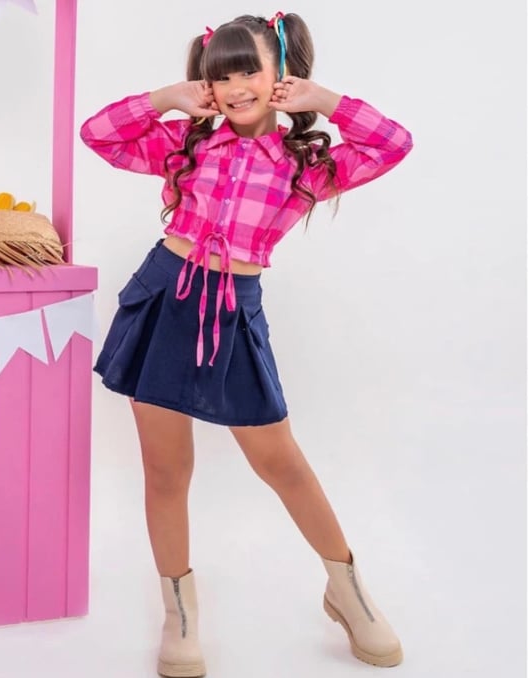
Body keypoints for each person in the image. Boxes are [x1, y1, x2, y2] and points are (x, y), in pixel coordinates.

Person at [80, 11, 412, 677]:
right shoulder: (186, 145)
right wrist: (167, 98)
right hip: (164, 297)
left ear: (280, 73)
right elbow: (99, 134)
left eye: (249, 71)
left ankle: (347, 592)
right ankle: (179, 614)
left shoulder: (307, 165)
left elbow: (393, 143)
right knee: (166, 470)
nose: (235, 88)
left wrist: (326, 101)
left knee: (281, 462)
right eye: (220, 75)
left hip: (233, 309)